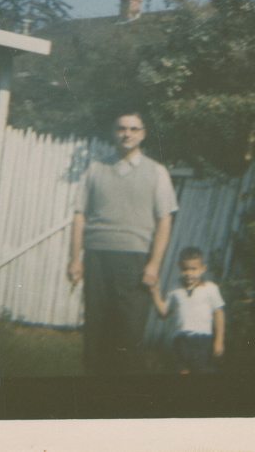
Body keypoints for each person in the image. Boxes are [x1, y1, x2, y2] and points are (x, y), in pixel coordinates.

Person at [67, 111, 178, 374]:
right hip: (97, 257)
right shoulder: (96, 169)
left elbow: (165, 220)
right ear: (113, 133)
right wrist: (74, 259)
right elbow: (79, 215)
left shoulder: (157, 172)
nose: (127, 134)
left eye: (133, 129)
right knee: (96, 330)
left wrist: (154, 265)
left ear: (143, 134)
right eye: (121, 128)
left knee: (129, 333)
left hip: (135, 260)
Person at [150, 246, 225, 374]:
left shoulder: (210, 288)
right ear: (180, 268)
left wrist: (219, 340)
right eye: (185, 269)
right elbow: (164, 311)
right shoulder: (175, 288)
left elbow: (219, 313)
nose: (189, 273)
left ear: (203, 269)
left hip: (202, 340)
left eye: (193, 269)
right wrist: (155, 292)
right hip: (180, 340)